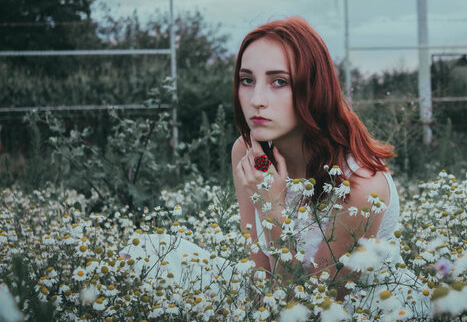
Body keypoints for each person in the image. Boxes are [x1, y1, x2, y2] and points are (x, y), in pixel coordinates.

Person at [122, 16, 430, 318]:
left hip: (356, 308)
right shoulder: (250, 152)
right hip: (274, 292)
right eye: (247, 80)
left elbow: (310, 309)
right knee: (147, 253)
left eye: (278, 81)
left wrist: (272, 207)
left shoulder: (361, 185)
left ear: (314, 88)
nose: (256, 99)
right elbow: (259, 275)